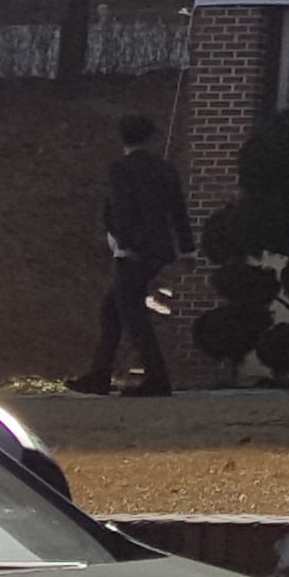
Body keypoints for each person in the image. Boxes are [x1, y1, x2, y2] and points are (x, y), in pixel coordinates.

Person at [87, 113, 187, 397]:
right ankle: (99, 374)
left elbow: (122, 208)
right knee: (112, 309)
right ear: (150, 137)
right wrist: (187, 247)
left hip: (134, 251)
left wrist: (126, 243)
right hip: (160, 249)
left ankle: (156, 377)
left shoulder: (121, 168)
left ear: (122, 137)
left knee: (131, 313)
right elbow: (178, 210)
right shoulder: (166, 168)